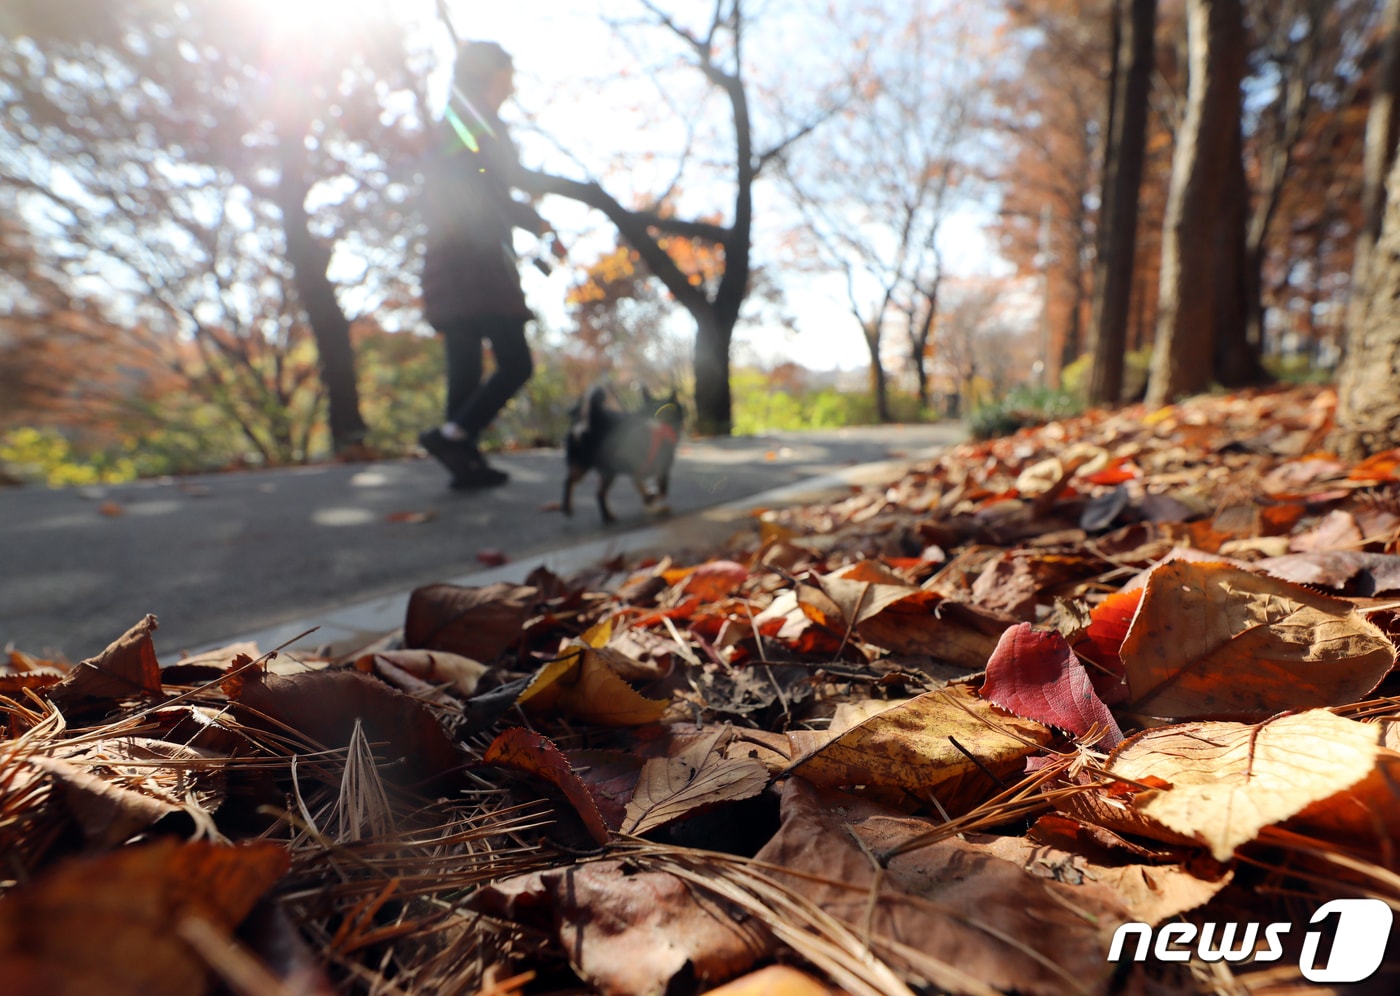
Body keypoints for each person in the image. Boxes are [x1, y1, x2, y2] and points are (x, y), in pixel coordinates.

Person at [417, 41, 558, 488]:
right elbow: (491, 185)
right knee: (515, 362)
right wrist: (542, 209)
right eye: (507, 72)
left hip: (453, 257)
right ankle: (453, 436)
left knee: (466, 365)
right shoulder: (473, 120)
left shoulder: (459, 119)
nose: (512, 82)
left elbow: (485, 188)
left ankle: (464, 460)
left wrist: (530, 220)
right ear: (490, 73)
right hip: (473, 262)